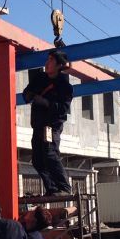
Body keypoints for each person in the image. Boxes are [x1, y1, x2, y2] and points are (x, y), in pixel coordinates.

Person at [23, 50, 73, 196]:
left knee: (50, 154)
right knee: (37, 160)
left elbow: (63, 109)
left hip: (51, 126)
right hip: (38, 125)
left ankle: (64, 188)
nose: (47, 63)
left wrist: (46, 102)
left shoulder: (65, 86)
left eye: (51, 60)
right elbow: (26, 92)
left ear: (59, 65)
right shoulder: (40, 78)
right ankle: (52, 189)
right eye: (47, 59)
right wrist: (29, 95)